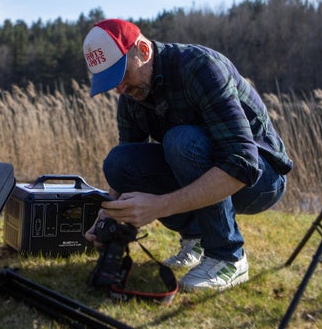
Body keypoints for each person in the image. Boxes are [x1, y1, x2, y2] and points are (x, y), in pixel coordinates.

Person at [82, 18, 292, 291]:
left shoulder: (200, 67)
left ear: (144, 52)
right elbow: (129, 167)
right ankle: (195, 236)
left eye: (121, 74)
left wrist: (159, 206)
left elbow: (244, 164)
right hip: (207, 166)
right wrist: (108, 213)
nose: (119, 88)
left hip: (262, 179)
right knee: (119, 164)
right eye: (110, 81)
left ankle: (228, 256)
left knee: (182, 141)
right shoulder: (132, 96)